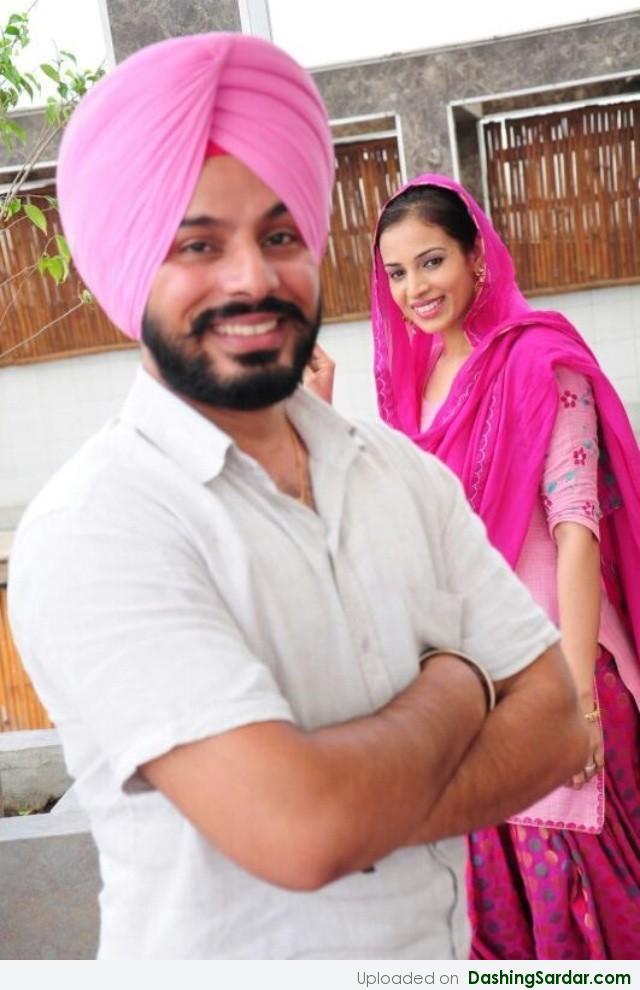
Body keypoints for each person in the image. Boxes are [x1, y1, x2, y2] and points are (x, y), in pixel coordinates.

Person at [7, 37, 587, 961]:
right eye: (199, 244)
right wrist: (463, 682)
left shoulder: (402, 476)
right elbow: (302, 830)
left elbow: (556, 724)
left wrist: (352, 804)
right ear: (127, 266)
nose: (253, 278)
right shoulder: (99, 529)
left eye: (280, 237)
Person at [365, 173, 640, 960]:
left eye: (432, 262)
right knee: (496, 909)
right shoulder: (410, 389)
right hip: (471, 683)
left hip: (557, 661)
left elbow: (577, 526)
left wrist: (580, 697)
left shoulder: (539, 363)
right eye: (396, 273)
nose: (415, 287)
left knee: (582, 902)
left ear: (476, 258)